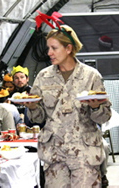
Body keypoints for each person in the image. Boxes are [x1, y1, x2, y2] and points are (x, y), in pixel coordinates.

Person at [25, 12, 112, 188]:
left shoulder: (90, 76)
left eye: (54, 48)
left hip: (84, 153)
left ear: (69, 48)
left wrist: (96, 108)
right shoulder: (43, 76)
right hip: (54, 154)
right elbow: (38, 119)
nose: (49, 53)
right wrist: (32, 107)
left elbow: (104, 117)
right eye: (48, 48)